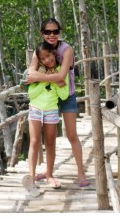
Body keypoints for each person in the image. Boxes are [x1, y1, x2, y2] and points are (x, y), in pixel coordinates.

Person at [25, 18, 90, 187]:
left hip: (66, 94)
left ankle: (81, 173)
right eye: (48, 32)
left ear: (59, 32)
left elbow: (61, 77)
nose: (52, 35)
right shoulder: (39, 50)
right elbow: (30, 72)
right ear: (42, 34)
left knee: (71, 135)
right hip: (46, 100)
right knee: (42, 140)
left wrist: (40, 77)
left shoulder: (66, 49)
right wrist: (42, 77)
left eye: (55, 31)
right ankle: (47, 172)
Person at [25, 41, 69, 191]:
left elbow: (63, 96)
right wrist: (46, 79)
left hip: (51, 111)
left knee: (50, 143)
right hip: (35, 109)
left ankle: (49, 175)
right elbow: (31, 94)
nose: (47, 60)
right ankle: (31, 176)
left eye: (48, 55)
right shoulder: (37, 72)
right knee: (34, 141)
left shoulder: (62, 72)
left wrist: (58, 81)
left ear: (54, 54)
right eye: (43, 58)